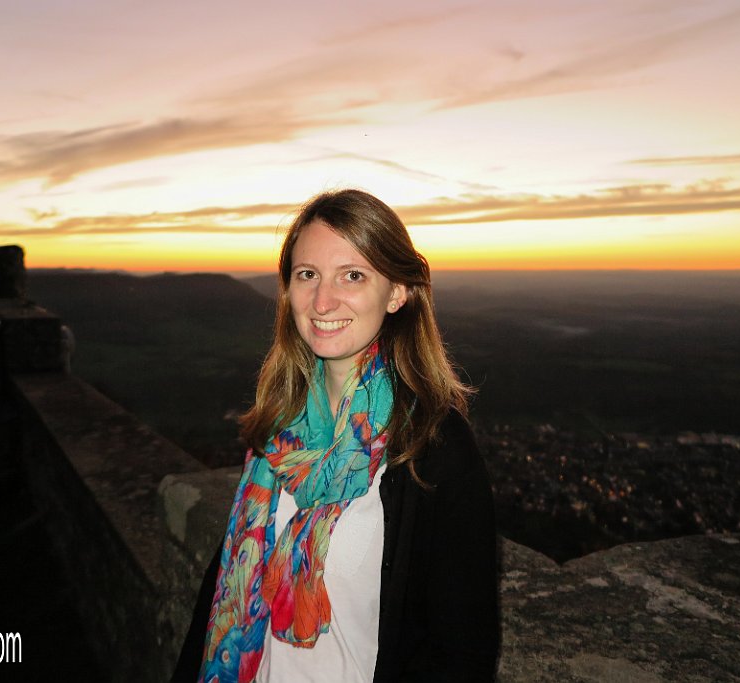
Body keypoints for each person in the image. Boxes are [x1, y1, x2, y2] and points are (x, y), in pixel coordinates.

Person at [172, 189, 499, 683]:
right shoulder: (281, 427)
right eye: (308, 275)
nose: (323, 301)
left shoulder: (432, 446)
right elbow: (223, 587)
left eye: (352, 275)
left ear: (397, 292)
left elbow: (462, 650)